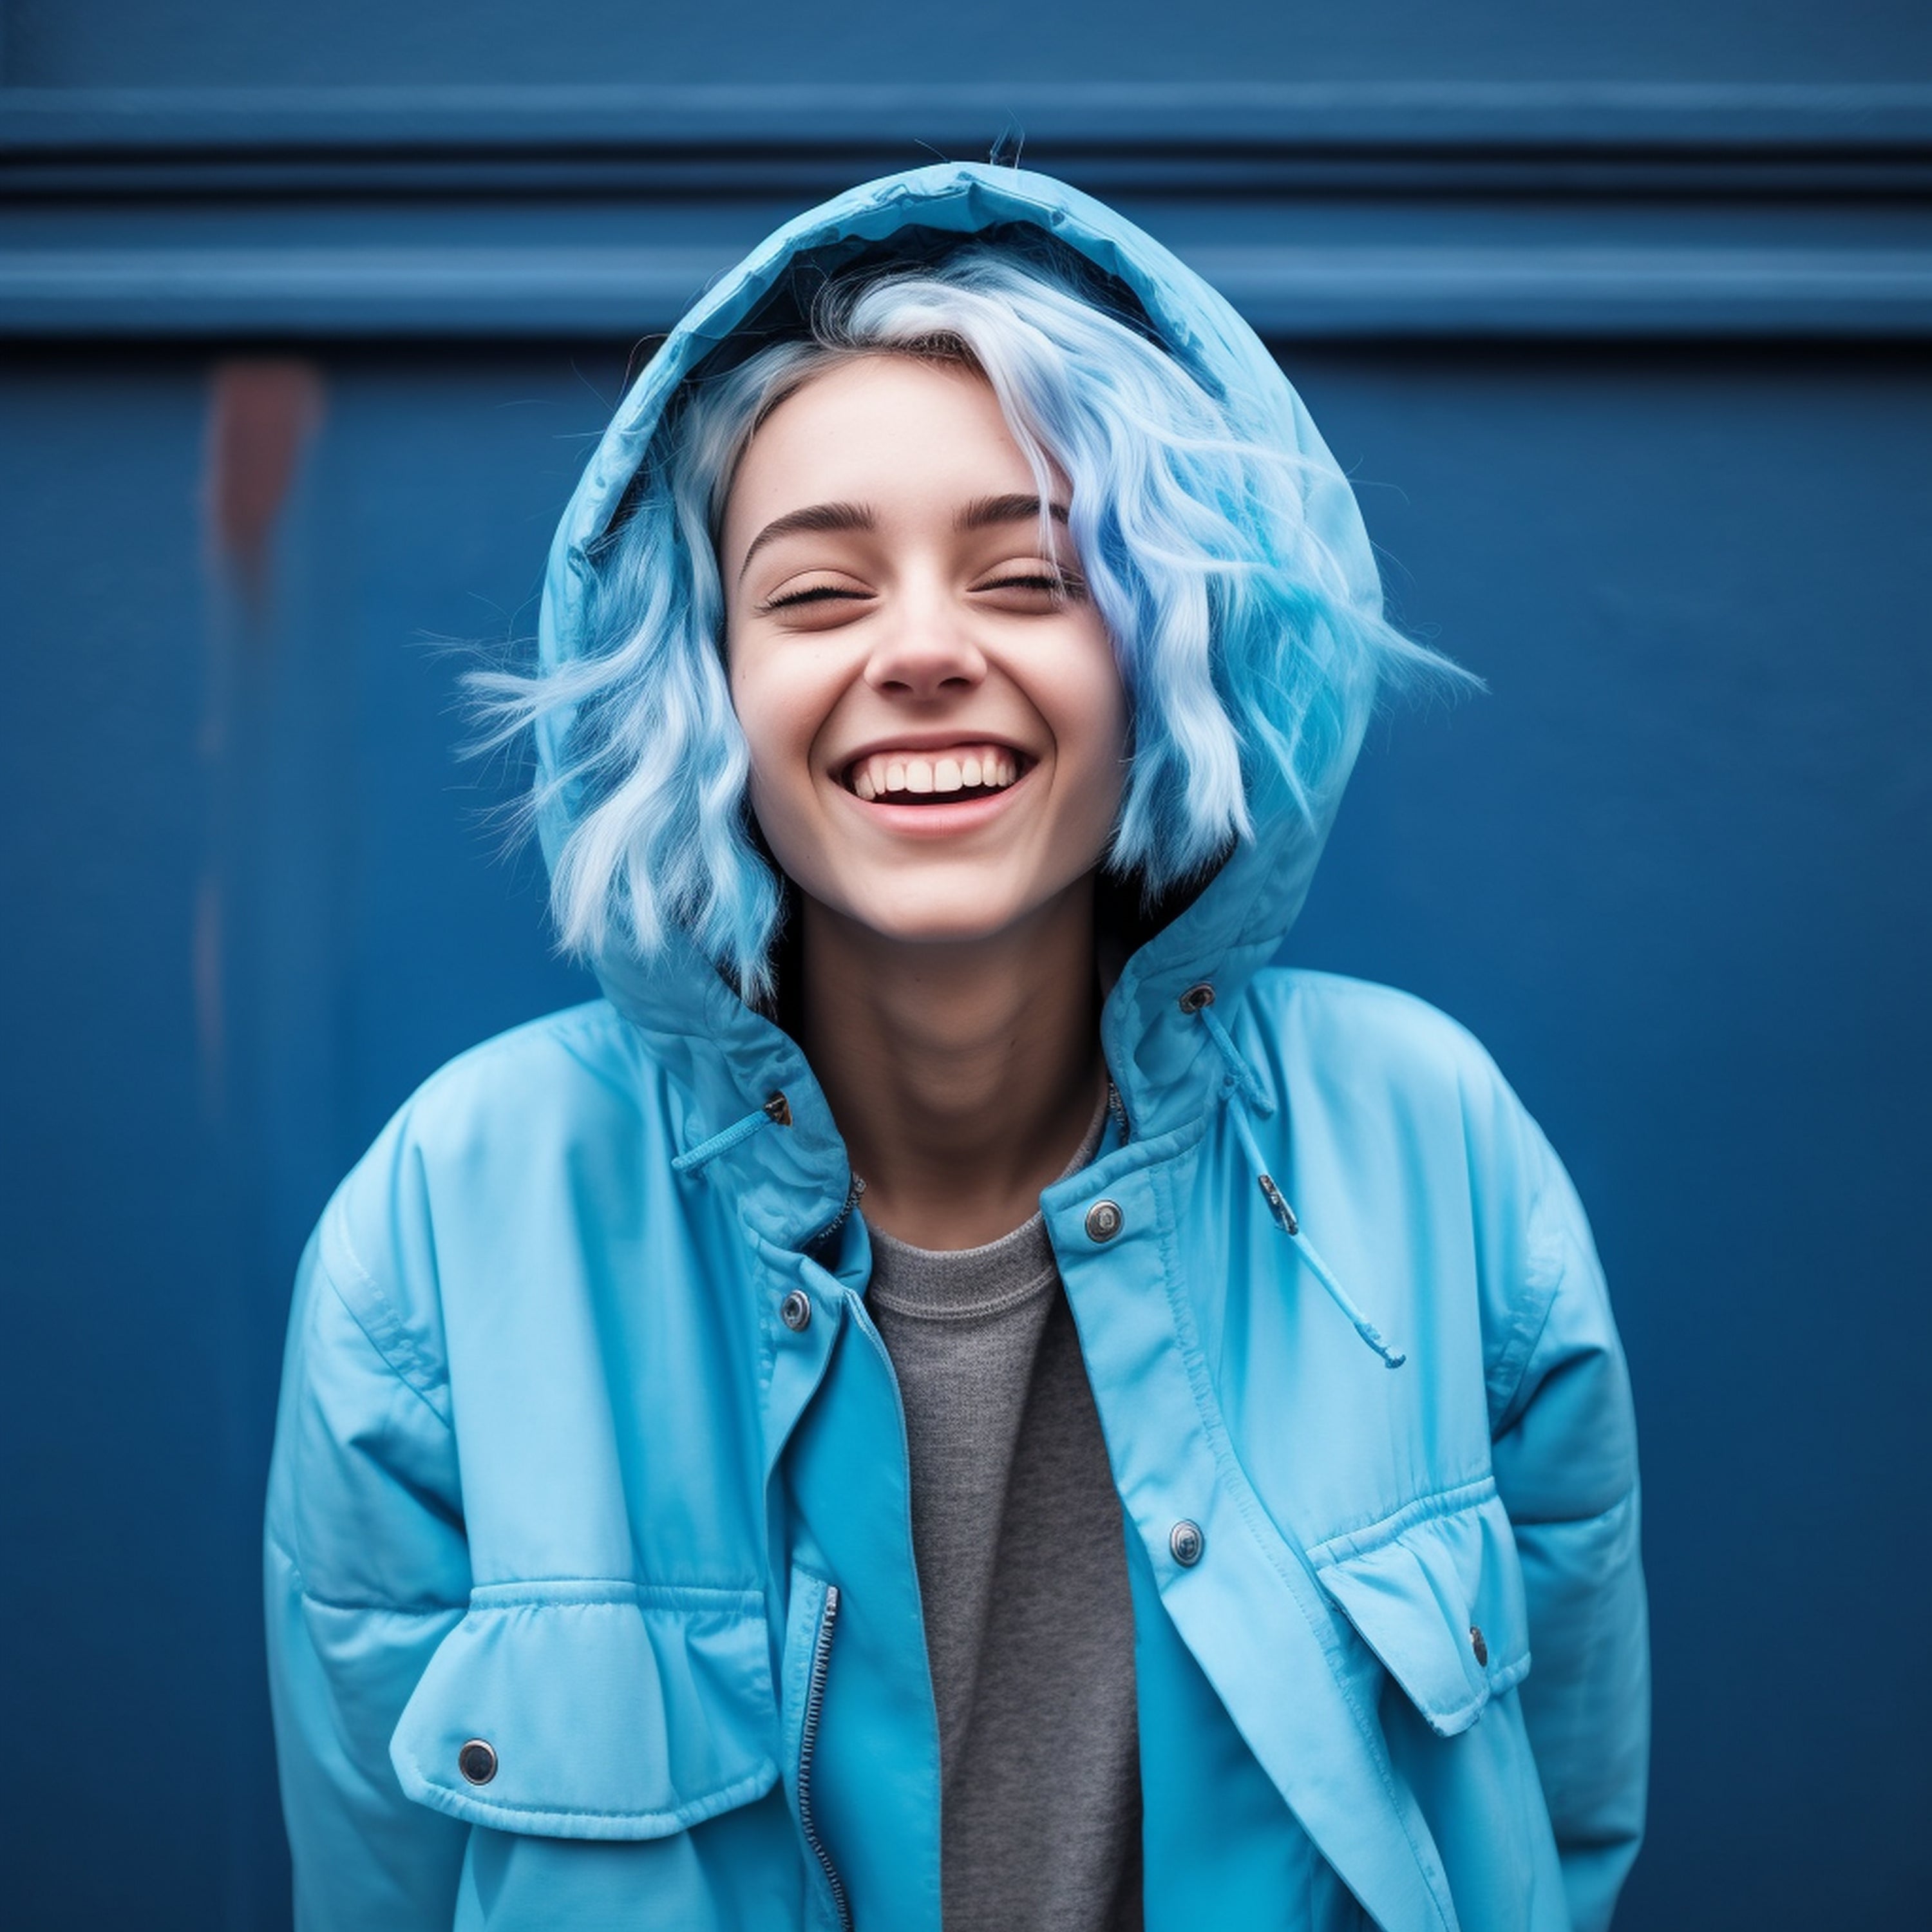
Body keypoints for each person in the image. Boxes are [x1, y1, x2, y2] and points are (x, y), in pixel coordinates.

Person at [264, 163, 1648, 1932]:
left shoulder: (1435, 1154)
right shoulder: (451, 1226)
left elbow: (1556, 1834)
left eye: (1032, 573)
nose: (923, 651)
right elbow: (377, 1888)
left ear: (1164, 657)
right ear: (706, 687)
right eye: (818, 595)